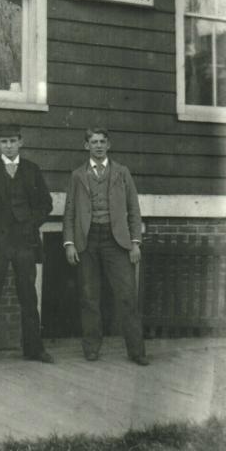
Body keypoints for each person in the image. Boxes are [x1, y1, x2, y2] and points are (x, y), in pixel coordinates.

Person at [0, 123, 54, 368]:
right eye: (4, 141)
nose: (9, 145)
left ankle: (34, 349)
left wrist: (30, 224)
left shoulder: (32, 170)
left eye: (13, 141)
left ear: (21, 142)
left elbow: (45, 205)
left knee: (28, 295)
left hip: (24, 243)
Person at [63, 127, 149, 365]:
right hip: (87, 240)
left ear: (108, 145)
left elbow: (134, 209)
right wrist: (69, 243)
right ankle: (91, 348)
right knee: (89, 297)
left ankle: (137, 351)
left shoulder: (122, 172)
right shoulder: (78, 175)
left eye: (102, 141)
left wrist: (135, 243)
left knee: (127, 296)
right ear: (86, 146)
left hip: (117, 241)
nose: (98, 146)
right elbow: (69, 211)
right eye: (93, 142)